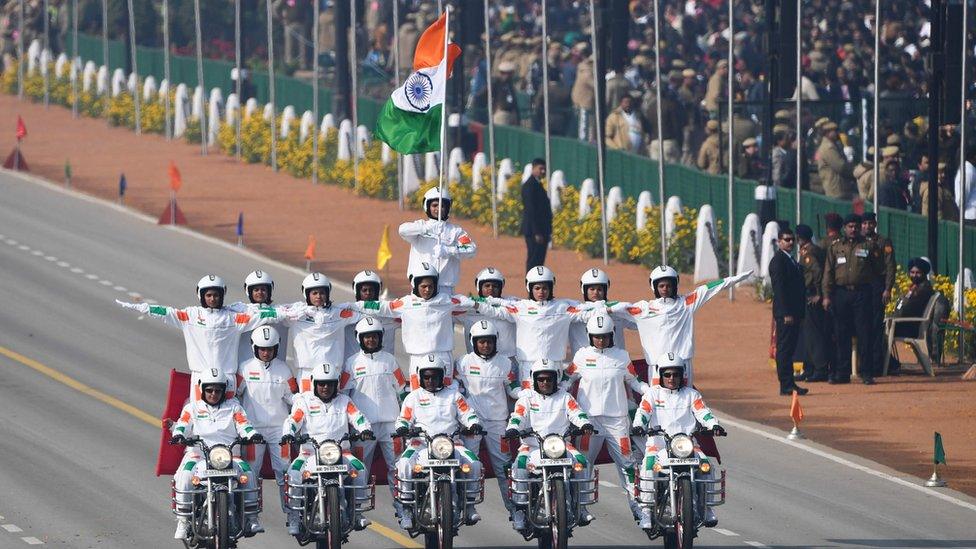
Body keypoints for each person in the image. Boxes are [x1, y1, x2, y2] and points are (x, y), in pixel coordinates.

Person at [116, 275, 289, 400]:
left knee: (229, 420)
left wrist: (287, 312)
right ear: (201, 295)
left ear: (222, 295)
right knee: (200, 419)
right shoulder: (190, 316)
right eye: (208, 295)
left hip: (227, 377)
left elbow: (262, 314)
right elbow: (166, 312)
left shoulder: (233, 318)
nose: (212, 299)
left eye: (216, 295)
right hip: (200, 377)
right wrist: (141, 307)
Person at [563, 314, 650, 519]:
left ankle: (641, 509)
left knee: (628, 465)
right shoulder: (581, 356)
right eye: (596, 336)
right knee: (582, 464)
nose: (600, 340)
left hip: (617, 420)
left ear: (611, 335)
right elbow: (566, 381)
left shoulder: (622, 356)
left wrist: (652, 391)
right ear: (589, 336)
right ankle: (580, 508)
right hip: (588, 422)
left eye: (604, 336)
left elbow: (635, 382)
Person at [610, 265, 752, 385]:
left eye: (669, 285)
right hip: (656, 367)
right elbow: (617, 307)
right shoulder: (644, 309)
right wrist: (596, 308)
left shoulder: (686, 303)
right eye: (661, 286)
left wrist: (734, 279)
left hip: (683, 364)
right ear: (654, 287)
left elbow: (708, 288)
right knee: (658, 408)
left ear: (675, 285)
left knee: (685, 404)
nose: (665, 289)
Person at [631, 353, 724, 530]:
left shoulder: (691, 395)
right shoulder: (652, 394)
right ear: (661, 375)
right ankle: (646, 512)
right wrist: (638, 426)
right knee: (648, 467)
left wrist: (713, 425)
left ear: (682, 375)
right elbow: (642, 413)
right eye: (667, 374)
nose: (671, 378)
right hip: (658, 444)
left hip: (686, 445)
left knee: (706, 466)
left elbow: (703, 413)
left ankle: (708, 509)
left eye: (675, 374)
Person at [280, 362, 375, 535]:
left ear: (336, 384)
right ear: (314, 383)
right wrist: (289, 433)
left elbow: (358, 417)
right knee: (293, 473)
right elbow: (293, 420)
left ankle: (357, 511)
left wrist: (365, 429)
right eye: (322, 383)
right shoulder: (304, 402)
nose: (325, 387)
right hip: (309, 454)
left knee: (361, 469)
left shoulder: (344, 401)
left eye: (330, 383)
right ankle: (293, 517)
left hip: (341, 453)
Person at [354, 263, 482, 389]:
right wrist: (352, 306)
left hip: (443, 357)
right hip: (417, 358)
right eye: (424, 286)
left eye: (431, 286)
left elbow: (475, 304)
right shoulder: (405, 303)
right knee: (417, 397)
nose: (427, 290)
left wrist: (480, 304)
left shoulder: (446, 301)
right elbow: (380, 307)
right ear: (415, 285)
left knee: (447, 395)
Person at [170, 369, 264, 539]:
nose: (213, 394)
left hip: (229, 456)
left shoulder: (234, 407)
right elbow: (182, 424)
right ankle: (183, 521)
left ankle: (251, 518)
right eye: (209, 390)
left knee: (248, 474)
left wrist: (252, 435)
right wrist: (179, 435)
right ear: (202, 389)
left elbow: (245, 425)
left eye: (218, 390)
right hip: (198, 455)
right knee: (183, 476)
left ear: (223, 391)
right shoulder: (192, 408)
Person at [394, 355, 484, 529]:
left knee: (474, 464)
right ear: (421, 377)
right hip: (419, 444)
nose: (430, 380)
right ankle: (406, 509)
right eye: (426, 377)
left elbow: (468, 414)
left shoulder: (454, 396)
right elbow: (403, 419)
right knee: (403, 464)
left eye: (434, 376)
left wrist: (474, 424)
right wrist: (403, 427)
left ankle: (470, 505)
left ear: (441, 377)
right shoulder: (413, 397)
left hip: (451, 444)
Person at [505, 359, 595, 532]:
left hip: (561, 446)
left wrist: (585, 424)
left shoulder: (565, 397)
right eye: (541, 379)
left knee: (582, 462)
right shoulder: (527, 398)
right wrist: (513, 428)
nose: (545, 382)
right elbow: (518, 416)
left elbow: (577, 412)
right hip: (531, 446)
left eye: (549, 379)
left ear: (556, 379)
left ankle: (581, 506)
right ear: (535, 379)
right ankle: (520, 510)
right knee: (520, 466)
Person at [477, 266, 595, 388]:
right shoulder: (520, 307)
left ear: (551, 288)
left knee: (555, 401)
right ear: (529, 287)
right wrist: (475, 305)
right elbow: (495, 311)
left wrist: (609, 309)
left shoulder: (563, 307)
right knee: (529, 401)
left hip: (555, 365)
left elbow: (585, 314)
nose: (541, 292)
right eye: (537, 288)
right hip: (528, 366)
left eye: (545, 288)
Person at [453, 320, 521, 520]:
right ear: (473, 342)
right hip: (471, 423)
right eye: (481, 341)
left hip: (497, 423)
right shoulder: (463, 362)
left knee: (504, 468)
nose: (485, 345)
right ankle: (468, 507)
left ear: (495, 342)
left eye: (489, 341)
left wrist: (527, 393)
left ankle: (515, 510)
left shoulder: (505, 363)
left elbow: (513, 388)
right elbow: (455, 388)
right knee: (469, 466)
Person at [340, 316, 407, 516]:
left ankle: (403, 507)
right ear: (359, 338)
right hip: (364, 427)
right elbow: (343, 395)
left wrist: (406, 419)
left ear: (380, 338)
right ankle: (356, 510)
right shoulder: (350, 364)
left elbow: (402, 390)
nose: (371, 340)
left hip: (391, 425)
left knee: (398, 467)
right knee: (360, 469)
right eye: (367, 337)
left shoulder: (390, 361)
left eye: (374, 336)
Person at [236, 326, 298, 528]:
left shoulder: (284, 369)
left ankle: (294, 518)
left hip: (279, 431)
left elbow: (292, 397)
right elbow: (234, 396)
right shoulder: (244, 368)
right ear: (254, 347)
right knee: (251, 472)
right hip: (254, 431)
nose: (266, 352)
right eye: (262, 348)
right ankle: (251, 518)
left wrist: (305, 401)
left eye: (270, 348)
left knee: (286, 472)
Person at [822, 213, 883, 384]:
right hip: (841, 293)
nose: (853, 229)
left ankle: (866, 373)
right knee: (842, 333)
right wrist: (826, 296)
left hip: (862, 293)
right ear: (844, 228)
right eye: (850, 226)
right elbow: (828, 273)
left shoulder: (869, 246)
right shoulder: (835, 247)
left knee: (864, 333)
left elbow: (878, 270)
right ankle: (843, 373)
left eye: (856, 226)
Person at [283, 273, 361, 392]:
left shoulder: (338, 313)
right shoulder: (296, 313)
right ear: (306, 293)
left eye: (322, 293)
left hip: (333, 374)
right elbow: (272, 311)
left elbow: (364, 310)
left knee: (335, 408)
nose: (318, 296)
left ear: (328, 293)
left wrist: (395, 309)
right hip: (307, 374)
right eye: (314, 293)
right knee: (307, 407)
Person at [398, 187, 477, 295]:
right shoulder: (420, 226)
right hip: (420, 287)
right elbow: (402, 230)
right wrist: (428, 228)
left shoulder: (456, 231)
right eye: (435, 205)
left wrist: (449, 250)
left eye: (442, 206)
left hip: (445, 288)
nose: (438, 209)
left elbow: (471, 249)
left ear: (448, 207)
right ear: (427, 206)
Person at [767, 227, 809, 395]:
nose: (790, 242)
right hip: (786, 313)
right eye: (786, 239)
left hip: (795, 311)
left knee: (790, 348)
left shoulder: (790, 259)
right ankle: (785, 384)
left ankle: (789, 383)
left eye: (792, 239)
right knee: (784, 348)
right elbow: (780, 290)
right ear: (779, 242)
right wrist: (786, 313)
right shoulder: (778, 261)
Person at [886, 258, 939, 373]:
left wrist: (906, 296)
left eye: (918, 273)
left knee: (876, 332)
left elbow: (906, 310)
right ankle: (889, 363)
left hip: (910, 327)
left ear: (924, 274)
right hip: (904, 324)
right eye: (912, 272)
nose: (914, 275)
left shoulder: (923, 290)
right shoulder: (915, 287)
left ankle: (890, 364)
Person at [861, 213, 896, 380]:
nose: (867, 226)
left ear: (875, 224)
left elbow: (890, 266)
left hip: (877, 284)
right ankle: (862, 363)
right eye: (865, 223)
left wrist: (887, 288)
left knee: (875, 325)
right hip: (861, 286)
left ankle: (875, 365)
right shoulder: (857, 242)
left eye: (870, 223)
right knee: (862, 325)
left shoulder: (883, 242)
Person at [456, 267, 517, 360]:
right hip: (476, 362)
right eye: (487, 286)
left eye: (495, 286)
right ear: (479, 286)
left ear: (501, 287)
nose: (491, 289)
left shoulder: (511, 302)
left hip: (508, 360)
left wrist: (481, 304)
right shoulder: (469, 306)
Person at [795, 224, 831, 382]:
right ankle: (809, 368)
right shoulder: (814, 249)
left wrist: (818, 293)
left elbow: (817, 272)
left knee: (814, 334)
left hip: (811, 296)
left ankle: (820, 368)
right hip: (808, 294)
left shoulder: (809, 252)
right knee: (808, 335)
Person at [569, 268, 632, 354]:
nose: (596, 292)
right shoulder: (578, 309)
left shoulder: (617, 309)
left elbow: (637, 323)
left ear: (605, 290)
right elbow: (582, 316)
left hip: (614, 361)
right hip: (584, 363)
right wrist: (610, 310)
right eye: (592, 289)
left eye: (599, 289)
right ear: (584, 289)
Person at [233, 270, 291, 365]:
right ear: (249, 291)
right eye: (256, 290)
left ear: (269, 291)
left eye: (263, 290)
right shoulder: (240, 310)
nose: (260, 292)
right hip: (246, 368)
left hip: (276, 369)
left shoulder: (280, 310)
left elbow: (300, 309)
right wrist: (271, 315)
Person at [343, 270, 398, 360]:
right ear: (357, 290)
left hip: (385, 365)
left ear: (377, 291)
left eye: (371, 290)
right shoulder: (347, 313)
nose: (368, 293)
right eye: (364, 290)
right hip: (354, 367)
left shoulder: (389, 313)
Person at [521, 159, 552, 272]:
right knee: (534, 259)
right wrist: (537, 232)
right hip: (535, 231)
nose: (543, 171)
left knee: (539, 260)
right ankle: (531, 284)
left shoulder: (538, 184)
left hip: (542, 230)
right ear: (533, 168)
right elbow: (531, 211)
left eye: (544, 169)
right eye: (540, 168)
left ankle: (537, 283)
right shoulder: (529, 186)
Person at [817, 121, 855, 199]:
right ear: (827, 133)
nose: (836, 133)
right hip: (835, 188)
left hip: (839, 187)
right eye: (833, 131)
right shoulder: (828, 148)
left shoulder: (833, 145)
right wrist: (853, 170)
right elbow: (840, 166)